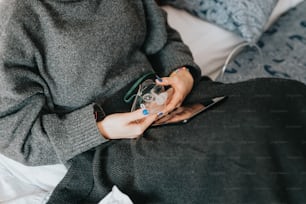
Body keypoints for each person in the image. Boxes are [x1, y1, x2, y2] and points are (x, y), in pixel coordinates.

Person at [1, 0, 306, 203]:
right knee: (241, 157)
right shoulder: (17, 20)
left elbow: (163, 39)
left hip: (168, 100)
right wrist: (103, 128)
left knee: (285, 99)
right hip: (107, 146)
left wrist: (183, 74)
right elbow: (17, 133)